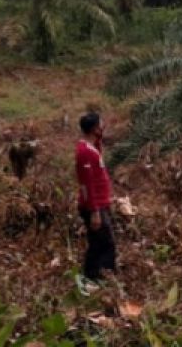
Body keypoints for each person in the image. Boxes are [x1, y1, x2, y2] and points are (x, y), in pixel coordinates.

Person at [75, 111, 115, 282]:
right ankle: (100, 277)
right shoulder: (85, 152)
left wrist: (99, 138)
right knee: (105, 244)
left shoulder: (91, 148)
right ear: (94, 129)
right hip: (94, 206)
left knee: (97, 243)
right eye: (100, 125)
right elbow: (87, 184)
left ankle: (92, 276)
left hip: (100, 204)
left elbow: (98, 153)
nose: (103, 127)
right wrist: (95, 211)